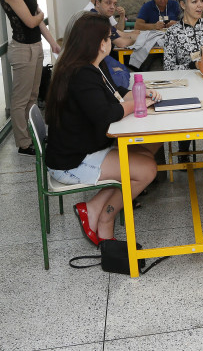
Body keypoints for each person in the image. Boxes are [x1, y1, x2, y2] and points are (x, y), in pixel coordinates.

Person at [44, 14, 160, 243]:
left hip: (86, 146)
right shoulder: (82, 74)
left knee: (150, 146)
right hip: (72, 161)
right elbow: (106, 115)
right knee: (147, 169)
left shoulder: (94, 65)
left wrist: (139, 93)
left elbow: (115, 93)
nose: (111, 41)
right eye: (108, 37)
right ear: (99, 43)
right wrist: (134, 104)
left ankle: (93, 207)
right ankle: (107, 218)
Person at [0, 0, 62, 156]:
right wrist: (40, 14)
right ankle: (23, 143)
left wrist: (53, 44)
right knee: (21, 99)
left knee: (33, 96)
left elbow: (39, 22)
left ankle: (34, 135)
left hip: (35, 47)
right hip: (22, 49)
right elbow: (31, 20)